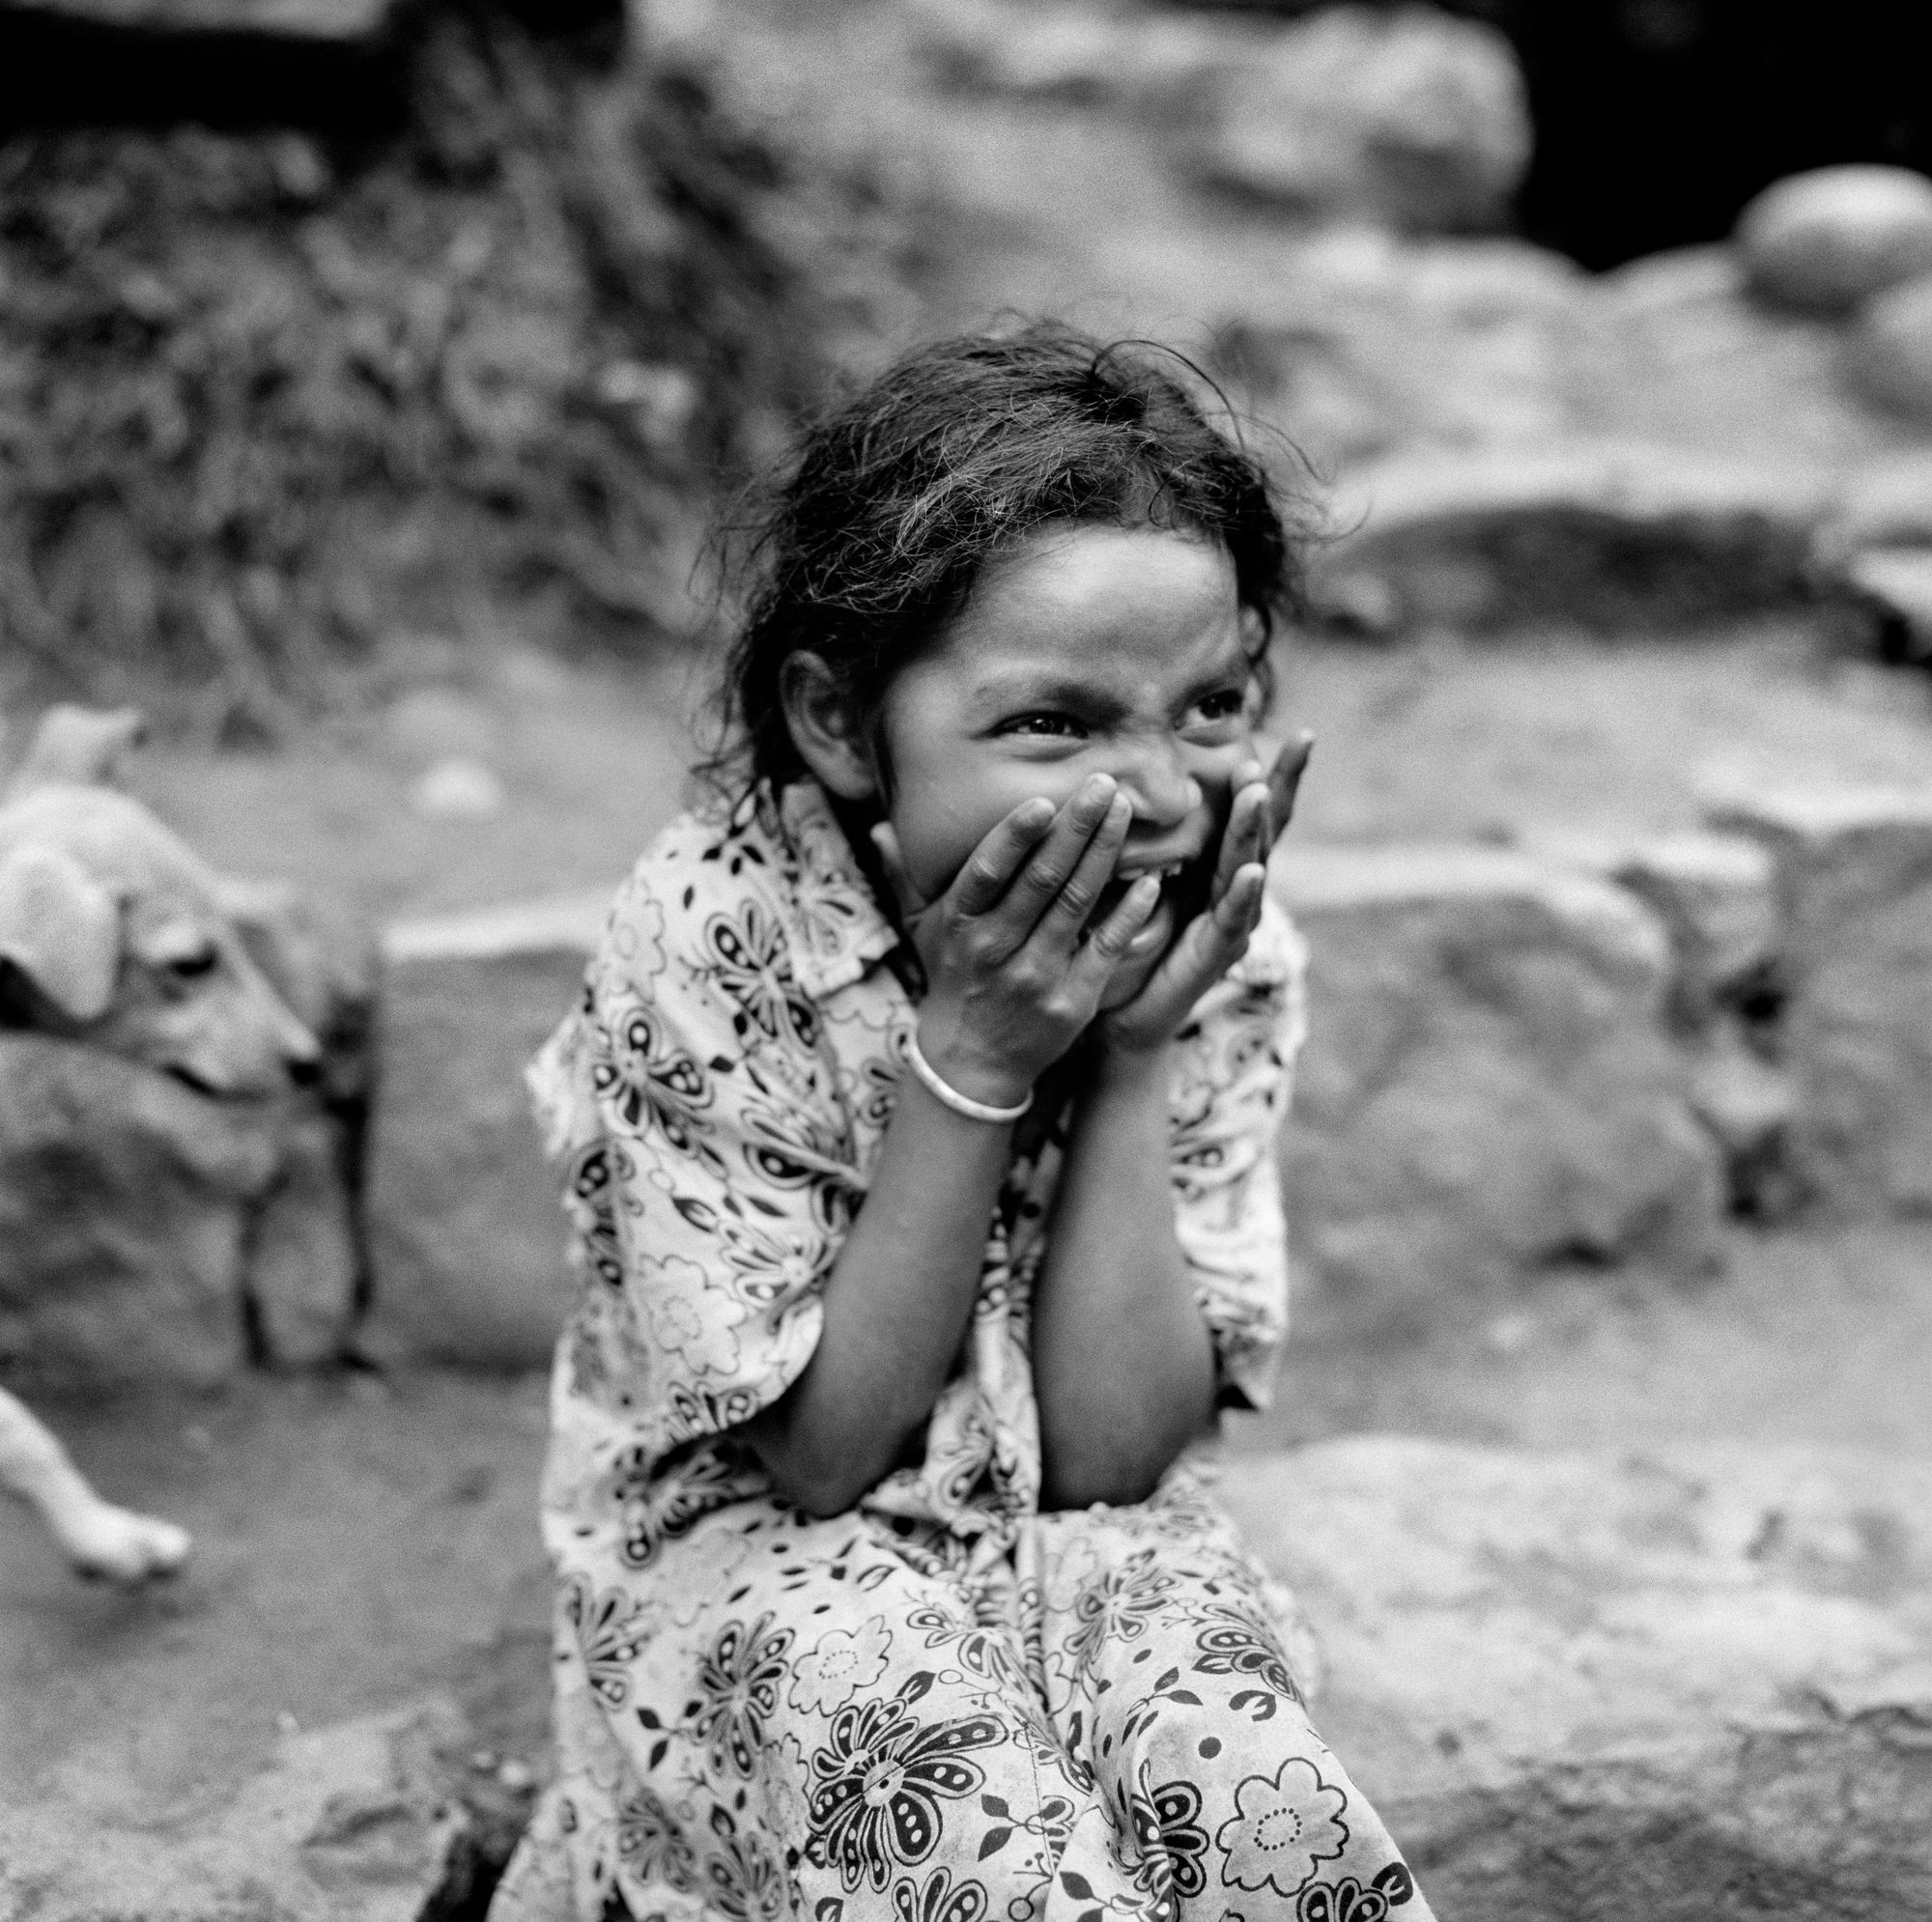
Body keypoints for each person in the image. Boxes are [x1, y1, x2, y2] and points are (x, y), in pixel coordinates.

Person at [490, 325, 1434, 1922]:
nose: (1157, 792)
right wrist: (980, 1057)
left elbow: (1113, 1459)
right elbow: (818, 1458)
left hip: (1070, 1527)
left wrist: (1134, 1058)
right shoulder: (715, 945)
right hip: (755, 1557)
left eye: (1214, 704)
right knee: (966, 1810)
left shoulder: (1212, 928)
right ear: (842, 723)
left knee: (1247, 1788)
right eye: (1055, 723)